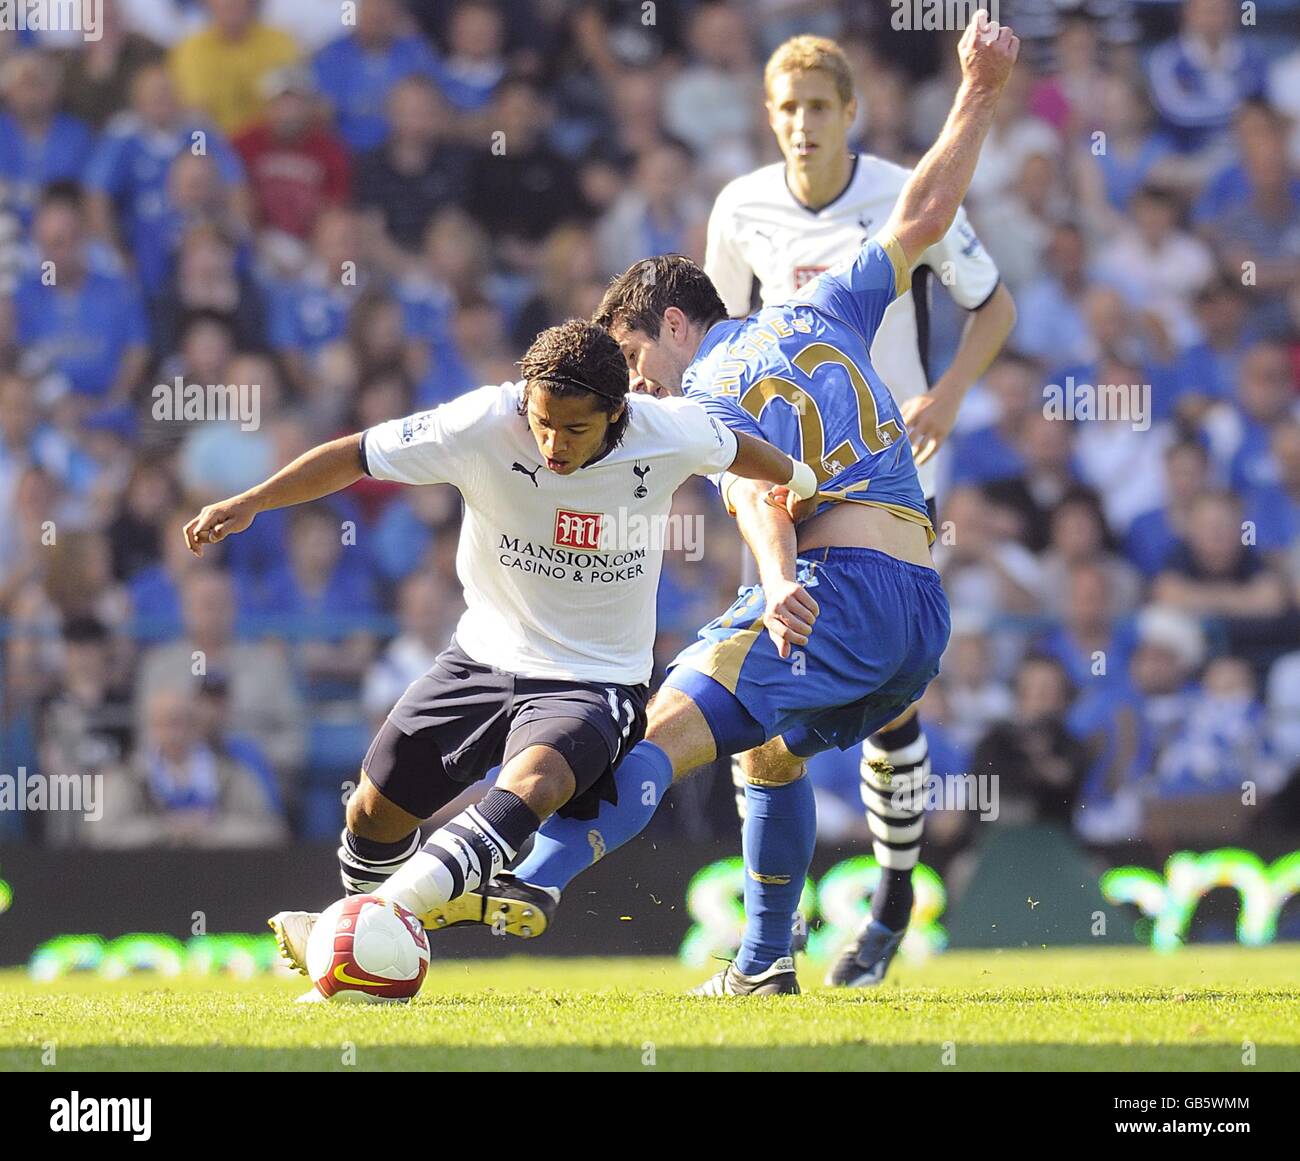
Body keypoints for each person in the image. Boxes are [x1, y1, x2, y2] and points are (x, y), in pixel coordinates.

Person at [420, 12, 1021, 995]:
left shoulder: (696, 401)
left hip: (834, 588)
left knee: (659, 731)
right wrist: (981, 91)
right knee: (771, 759)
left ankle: (538, 875)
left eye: (627, 361)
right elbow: (923, 215)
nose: (631, 390)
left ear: (667, 324)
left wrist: (779, 579)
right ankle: (763, 964)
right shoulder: (826, 303)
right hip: (918, 611)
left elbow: (754, 491)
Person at [180, 319, 814, 996]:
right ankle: (375, 944)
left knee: (534, 784)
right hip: (480, 659)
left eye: (575, 430)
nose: (552, 444)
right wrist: (251, 501)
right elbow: (355, 454)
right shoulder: (480, 422)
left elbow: (744, 450)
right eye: (543, 423)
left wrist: (801, 479)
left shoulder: (670, 430)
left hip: (593, 678)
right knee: (370, 812)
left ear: (617, 412)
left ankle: (359, 937)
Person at [699, 29, 1016, 985]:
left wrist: (951, 393)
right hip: (789, 476)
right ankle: (784, 924)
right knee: (783, 667)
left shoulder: (898, 190)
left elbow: (991, 304)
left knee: (886, 695)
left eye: (820, 107)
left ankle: (885, 903)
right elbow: (720, 343)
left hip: (895, 471)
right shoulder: (740, 207)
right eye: (788, 108)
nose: (803, 125)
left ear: (851, 115)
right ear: (770, 115)